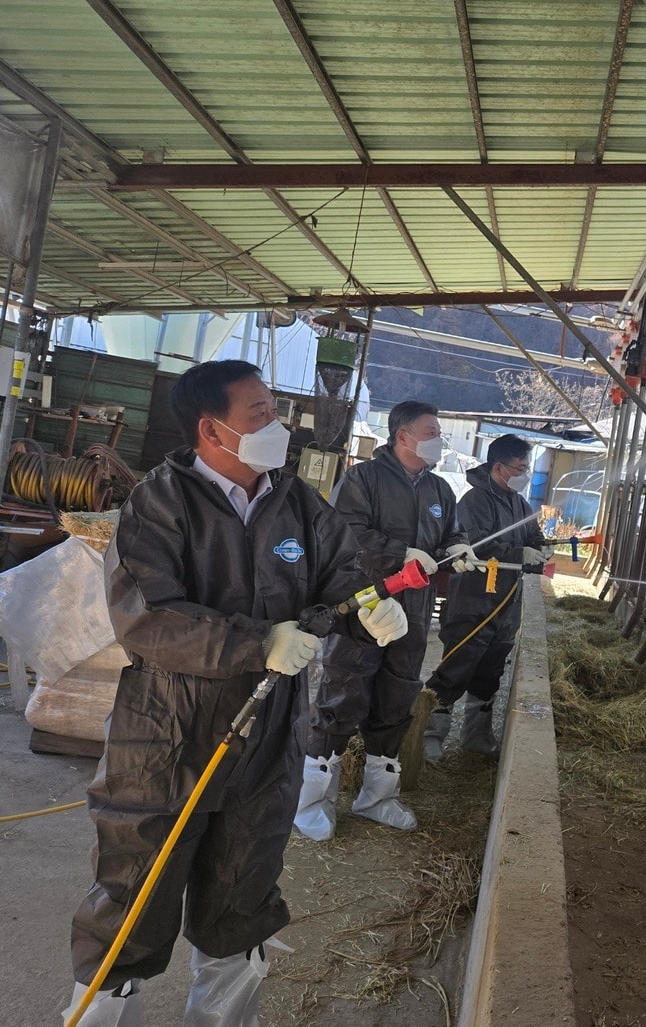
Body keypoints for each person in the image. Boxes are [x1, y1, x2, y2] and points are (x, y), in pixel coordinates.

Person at [66, 360, 409, 1026]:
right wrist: (258, 643)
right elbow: (147, 619)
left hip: (269, 734)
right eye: (260, 416)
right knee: (134, 897)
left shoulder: (299, 503)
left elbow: (341, 577)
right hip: (166, 735)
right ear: (211, 429)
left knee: (242, 896)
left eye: (274, 412)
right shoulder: (159, 504)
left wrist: (369, 609)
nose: (276, 427)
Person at [295, 400, 480, 841]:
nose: (439, 439)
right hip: (364, 607)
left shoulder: (440, 491)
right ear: (403, 436)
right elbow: (345, 533)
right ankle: (311, 801)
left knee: (398, 698)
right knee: (343, 694)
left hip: (414, 612)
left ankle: (378, 798)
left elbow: (451, 533)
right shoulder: (363, 479)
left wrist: (458, 550)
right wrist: (398, 554)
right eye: (432, 431)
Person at [424, 434, 549, 760]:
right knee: (455, 669)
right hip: (474, 603)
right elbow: (476, 546)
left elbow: (533, 533)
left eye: (527, 467)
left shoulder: (519, 503)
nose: (525, 474)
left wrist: (541, 547)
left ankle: (476, 738)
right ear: (499, 467)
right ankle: (429, 737)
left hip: (506, 605)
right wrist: (520, 553)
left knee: (489, 674)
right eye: (520, 467)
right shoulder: (474, 502)